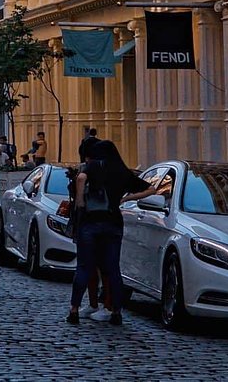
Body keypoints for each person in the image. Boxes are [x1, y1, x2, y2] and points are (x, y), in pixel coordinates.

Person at [67, 140, 155, 327]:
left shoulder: (92, 166)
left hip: (90, 223)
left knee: (84, 266)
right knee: (113, 269)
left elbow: (81, 178)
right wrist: (128, 197)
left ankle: (74, 310)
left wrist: (80, 201)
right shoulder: (121, 170)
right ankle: (116, 312)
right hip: (113, 223)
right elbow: (151, 189)